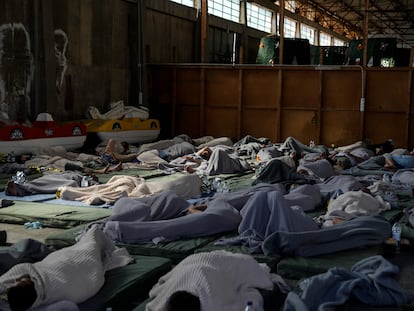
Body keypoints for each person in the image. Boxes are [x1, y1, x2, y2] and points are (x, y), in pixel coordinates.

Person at [0, 225, 133, 311]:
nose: (18, 280)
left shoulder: (27, 296)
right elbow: (71, 304)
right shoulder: (44, 300)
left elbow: (23, 269)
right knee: (90, 242)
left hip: (56, 265)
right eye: (20, 282)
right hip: (75, 271)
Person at [146, 250, 290, 311]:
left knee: (254, 270)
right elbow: (160, 287)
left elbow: (232, 304)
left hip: (223, 264)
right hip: (192, 263)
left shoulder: (212, 297)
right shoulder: (168, 298)